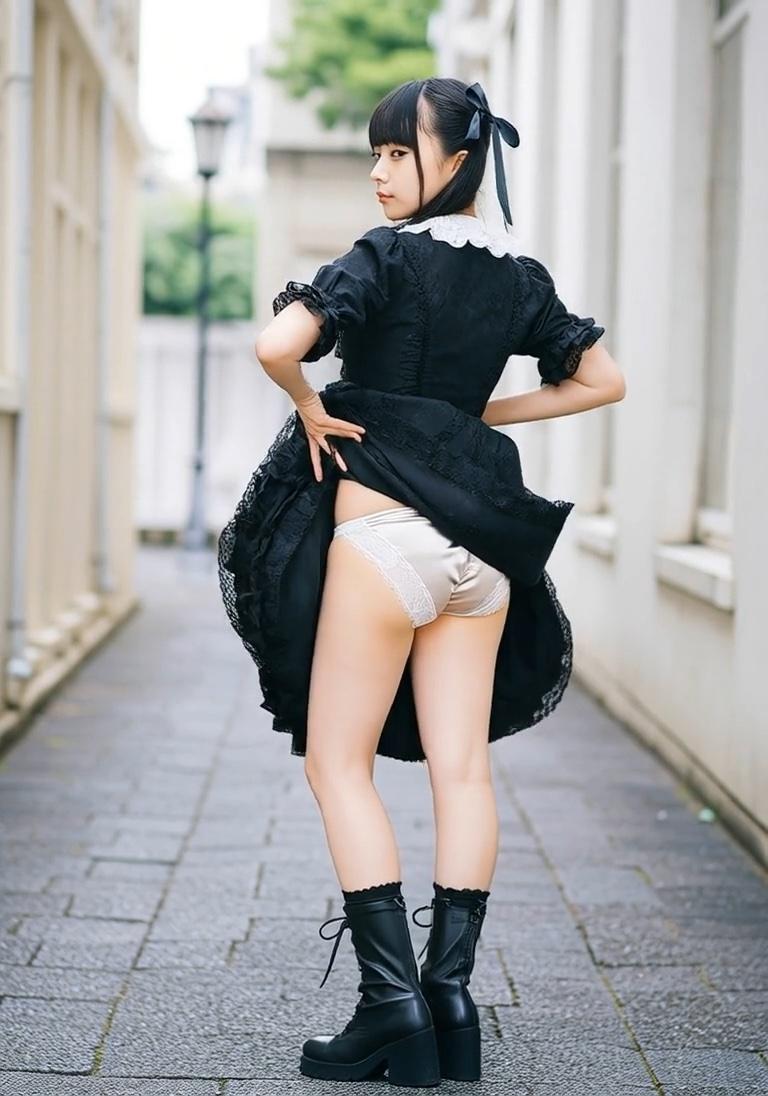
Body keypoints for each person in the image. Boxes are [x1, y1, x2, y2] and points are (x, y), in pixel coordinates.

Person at [217, 77, 625, 1086]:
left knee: (336, 763)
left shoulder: (386, 257)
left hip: (386, 539)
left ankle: (390, 1006)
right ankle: (450, 1002)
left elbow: (276, 345)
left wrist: (308, 403)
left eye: (400, 151)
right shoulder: (517, 277)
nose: (379, 170)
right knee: (463, 771)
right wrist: (483, 416)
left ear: (458, 160)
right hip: (480, 557)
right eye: (377, 151)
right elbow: (603, 379)